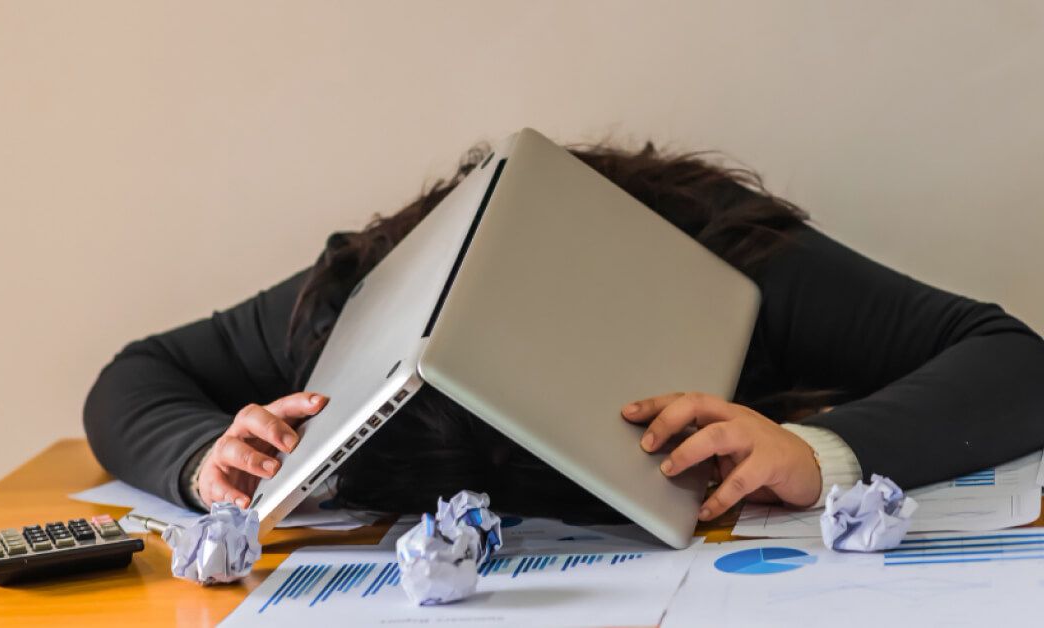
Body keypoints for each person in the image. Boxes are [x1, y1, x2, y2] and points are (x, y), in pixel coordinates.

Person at [83, 140, 1044, 525]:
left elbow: (1014, 361)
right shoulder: (358, 296)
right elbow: (138, 376)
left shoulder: (720, 253)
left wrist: (817, 453)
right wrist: (202, 457)